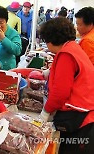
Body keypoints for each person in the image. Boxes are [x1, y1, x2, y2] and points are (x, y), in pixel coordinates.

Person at [39, 17, 94, 154]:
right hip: (87, 109)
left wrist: (45, 112)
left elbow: (60, 93)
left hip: (80, 118)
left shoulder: (66, 55)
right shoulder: (72, 46)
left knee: (71, 147)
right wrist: (48, 73)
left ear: (50, 41)